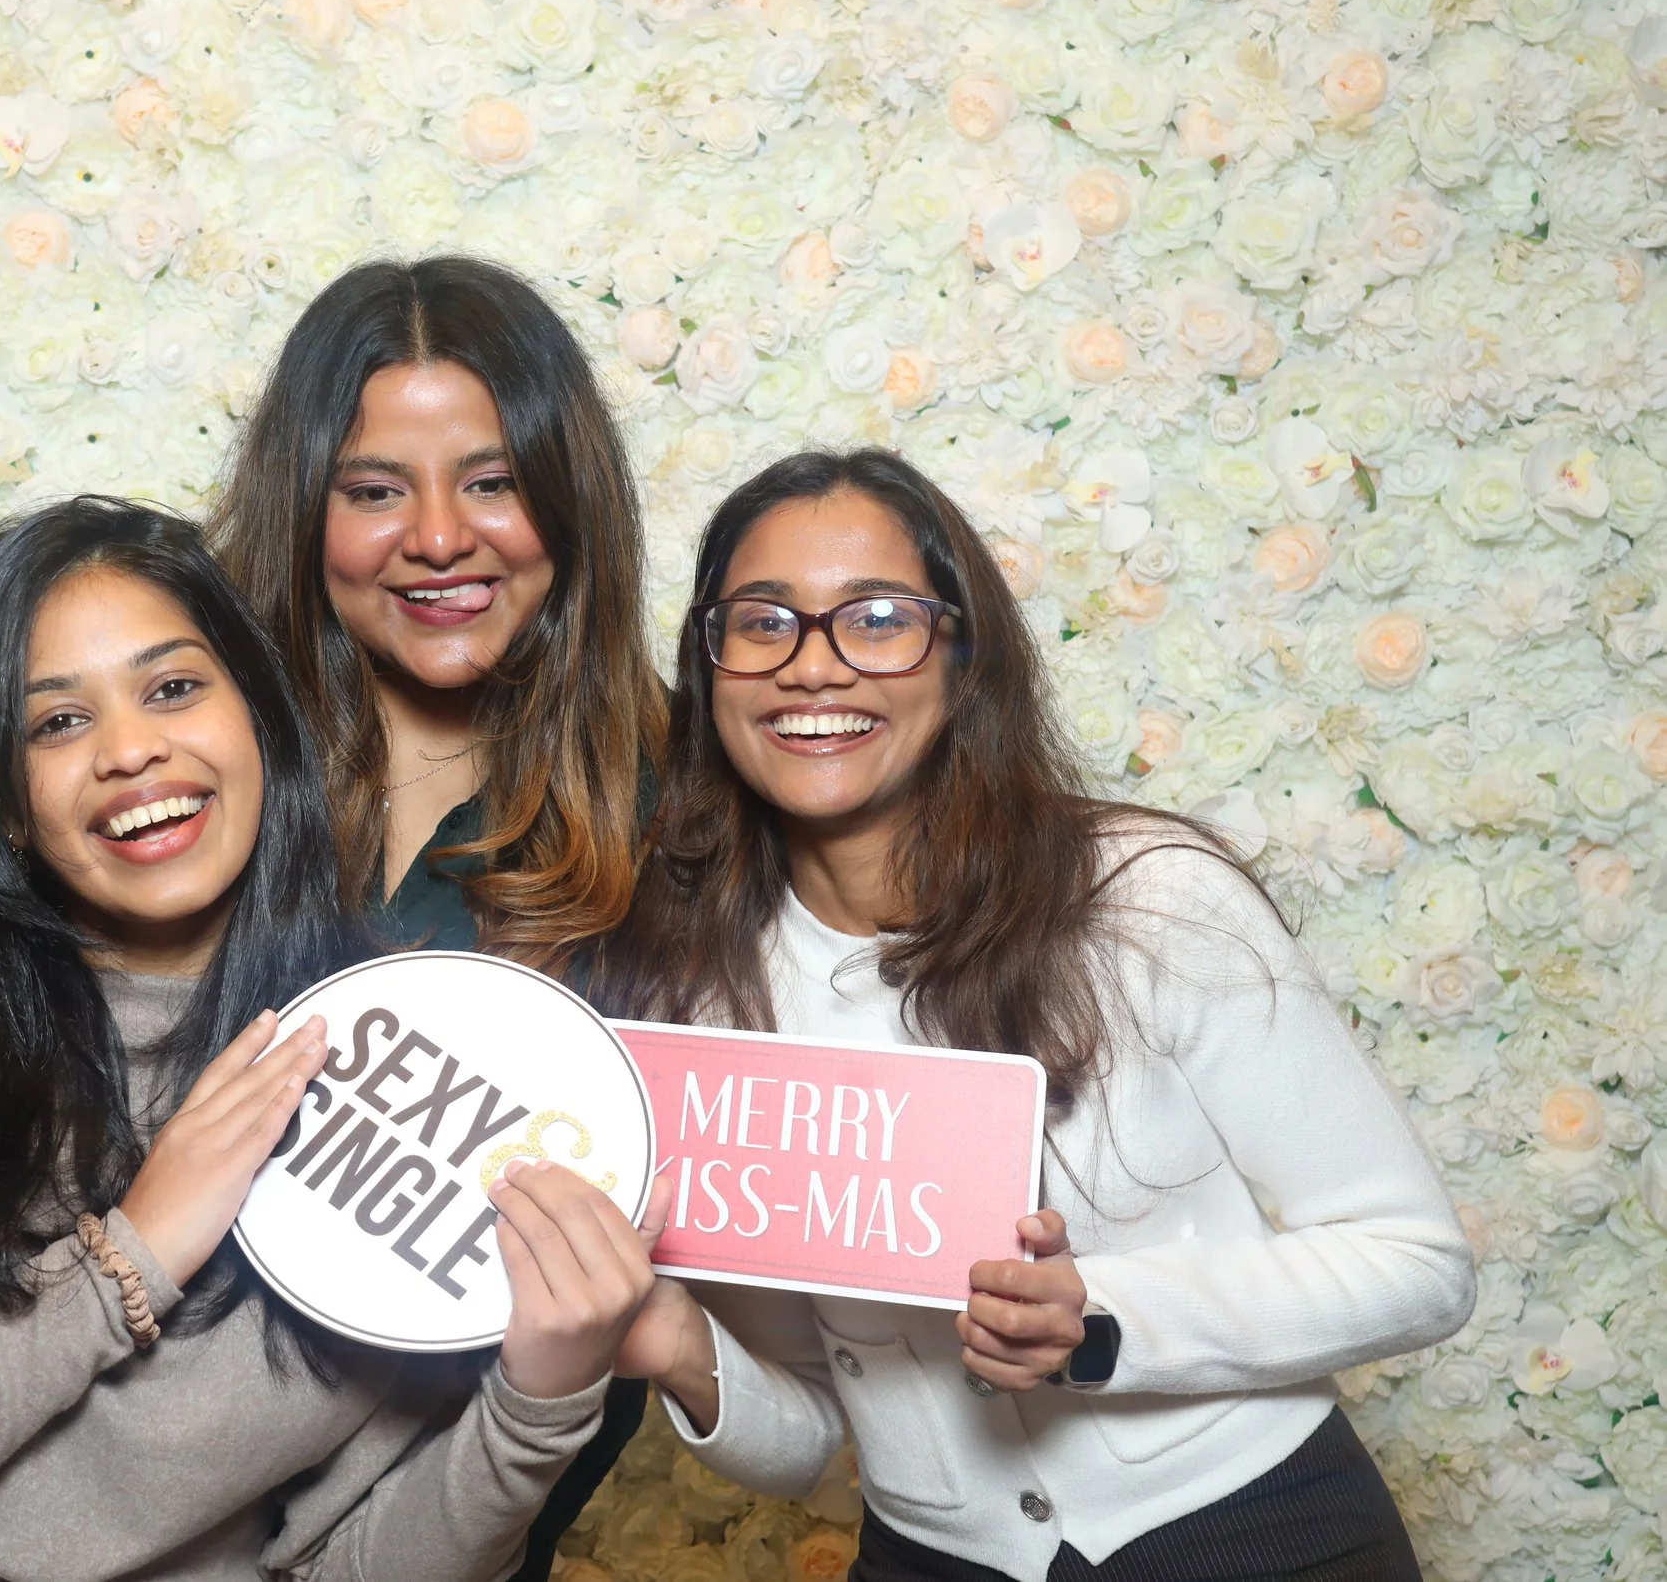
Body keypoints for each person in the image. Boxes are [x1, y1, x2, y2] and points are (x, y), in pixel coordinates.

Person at [0, 257, 667, 1577]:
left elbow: (604, 1275)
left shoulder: (675, 825)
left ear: (573, 498)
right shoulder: (190, 714)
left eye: (496, 479)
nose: (441, 535)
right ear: (305, 506)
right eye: (375, 487)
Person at [584, 450, 1476, 1582]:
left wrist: (1098, 1314)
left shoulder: (1147, 896)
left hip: (1258, 1534)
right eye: (762, 622)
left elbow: (1418, 1262)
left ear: (961, 656)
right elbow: (804, 1433)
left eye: (876, 617)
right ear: (710, 668)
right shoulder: (694, 1000)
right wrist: (669, 1339)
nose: (812, 667)